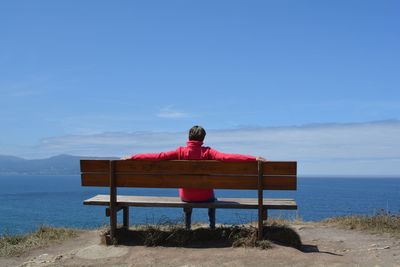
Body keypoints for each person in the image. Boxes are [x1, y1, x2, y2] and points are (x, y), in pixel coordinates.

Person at [122, 125, 265, 230]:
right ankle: (212, 227)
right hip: (206, 196)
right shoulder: (208, 152)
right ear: (203, 139)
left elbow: (158, 156)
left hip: (187, 197)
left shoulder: (179, 152)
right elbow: (227, 157)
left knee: (187, 189)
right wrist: (253, 158)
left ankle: (187, 227)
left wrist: (133, 157)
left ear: (188, 137)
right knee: (213, 197)